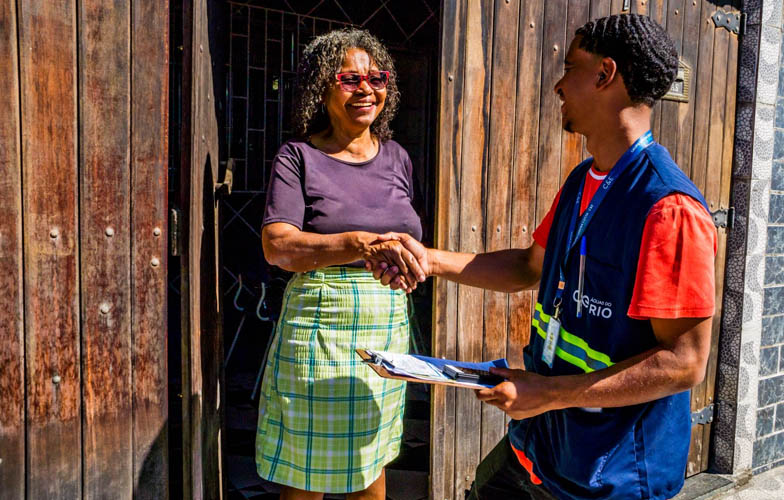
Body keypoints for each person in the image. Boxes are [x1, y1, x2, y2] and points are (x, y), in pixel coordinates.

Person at [370, 14, 717, 500]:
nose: (558, 84)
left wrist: (548, 393)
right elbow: (528, 267)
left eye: (570, 67)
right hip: (542, 445)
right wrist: (428, 260)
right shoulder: (582, 181)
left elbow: (684, 363)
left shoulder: (669, 208)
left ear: (604, 75)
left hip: (609, 474)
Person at [255, 28, 426, 500]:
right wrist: (356, 244)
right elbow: (278, 245)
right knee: (306, 470)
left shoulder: (397, 158)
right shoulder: (299, 158)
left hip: (386, 324)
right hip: (321, 328)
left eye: (377, 78)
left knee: (371, 459)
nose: (366, 89)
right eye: (349, 78)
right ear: (321, 87)